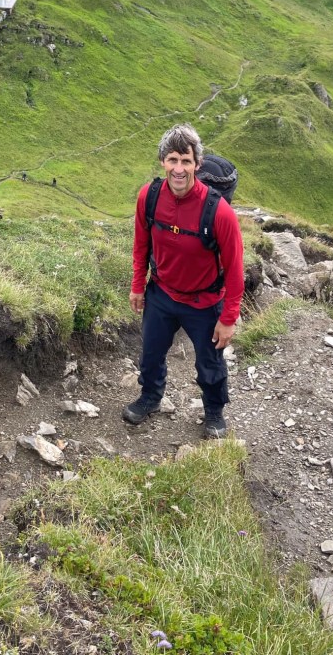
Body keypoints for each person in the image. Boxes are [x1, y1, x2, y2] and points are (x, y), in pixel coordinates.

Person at [124, 124, 244, 439]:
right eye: (173, 160)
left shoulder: (219, 212)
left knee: (210, 364)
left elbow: (235, 269)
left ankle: (214, 412)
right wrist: (137, 285)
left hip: (204, 302)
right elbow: (141, 245)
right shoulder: (149, 197)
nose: (179, 169)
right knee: (150, 353)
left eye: (186, 161)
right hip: (161, 294)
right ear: (163, 161)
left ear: (197, 164)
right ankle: (150, 396)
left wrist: (228, 318)